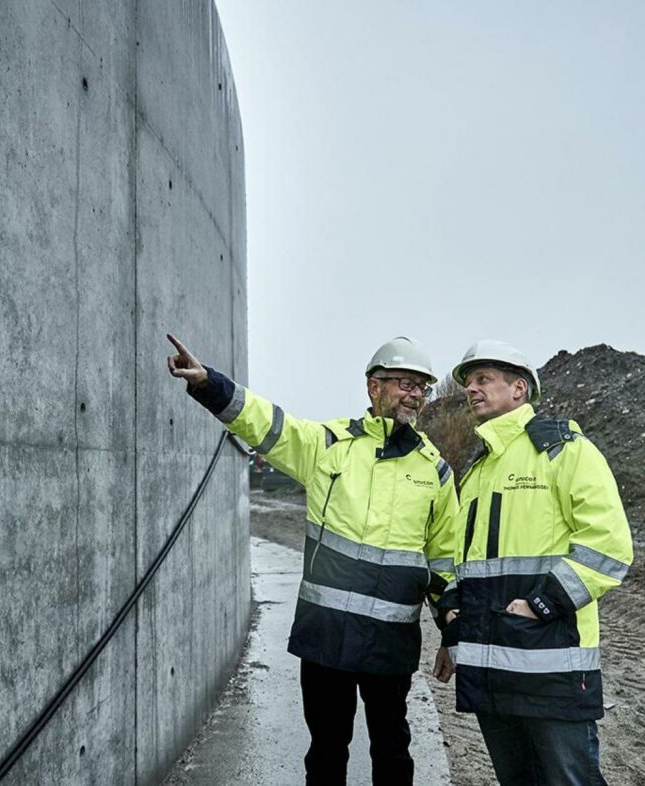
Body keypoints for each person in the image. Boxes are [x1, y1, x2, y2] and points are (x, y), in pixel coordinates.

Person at [166, 333, 461, 786]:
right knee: (326, 752)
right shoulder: (328, 446)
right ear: (373, 387)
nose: (414, 394)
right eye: (403, 382)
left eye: (421, 386)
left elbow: (444, 558)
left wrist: (451, 632)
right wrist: (210, 385)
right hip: (327, 639)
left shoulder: (435, 471)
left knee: (393, 752)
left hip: (391, 644)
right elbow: (267, 424)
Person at [434, 340, 633, 786]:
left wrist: (541, 605)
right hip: (491, 665)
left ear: (519, 389)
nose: (471, 389)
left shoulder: (564, 449)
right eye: (468, 382)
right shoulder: (477, 468)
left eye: (483, 379)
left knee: (569, 779)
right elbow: (462, 559)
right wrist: (451, 619)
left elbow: (609, 546)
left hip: (550, 663)